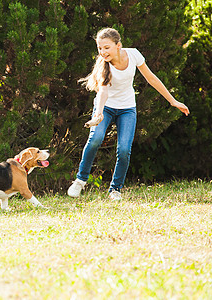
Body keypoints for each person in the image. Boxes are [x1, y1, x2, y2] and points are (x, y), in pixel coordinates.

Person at [68, 28, 189, 201]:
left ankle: (115, 189)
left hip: (127, 108)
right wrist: (99, 114)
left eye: (107, 47)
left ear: (118, 46)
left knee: (124, 149)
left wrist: (173, 101)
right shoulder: (104, 66)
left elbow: (151, 78)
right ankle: (80, 180)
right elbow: (102, 92)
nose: (103, 52)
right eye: (100, 48)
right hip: (106, 107)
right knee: (95, 139)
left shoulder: (133, 55)